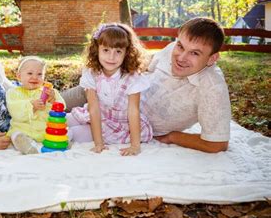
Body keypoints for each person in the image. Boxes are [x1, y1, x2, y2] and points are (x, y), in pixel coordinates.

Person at [143, 17, 231, 153]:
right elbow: (145, 67)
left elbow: (217, 144)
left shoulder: (213, 88)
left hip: (142, 130)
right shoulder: (172, 48)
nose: (181, 58)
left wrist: (173, 137)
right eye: (181, 46)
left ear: (212, 59)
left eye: (194, 53)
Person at [67, 23, 153, 155]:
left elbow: (133, 111)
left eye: (118, 51)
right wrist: (98, 142)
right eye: (106, 50)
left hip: (120, 124)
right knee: (63, 120)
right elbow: (93, 108)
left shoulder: (132, 78)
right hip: (96, 115)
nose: (111, 57)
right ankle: (30, 131)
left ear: (127, 53)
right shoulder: (91, 73)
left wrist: (135, 146)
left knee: (72, 133)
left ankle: (52, 137)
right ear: (97, 50)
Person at [6, 56, 65, 154]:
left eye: (39, 74)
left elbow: (62, 108)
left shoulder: (50, 92)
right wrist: (31, 105)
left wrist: (53, 100)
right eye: (30, 73)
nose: (35, 77)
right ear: (19, 76)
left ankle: (60, 142)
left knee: (65, 130)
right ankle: (26, 146)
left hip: (45, 130)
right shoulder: (12, 92)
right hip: (23, 129)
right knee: (15, 135)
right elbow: (14, 110)